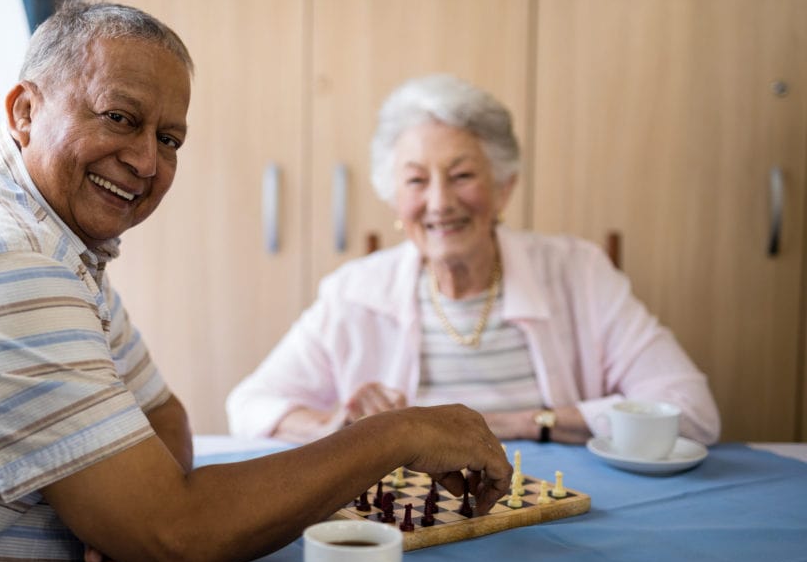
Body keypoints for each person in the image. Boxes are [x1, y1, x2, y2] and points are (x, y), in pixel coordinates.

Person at [0, 3, 511, 562]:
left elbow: (164, 417)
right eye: (120, 118)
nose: (147, 162)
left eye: (168, 139)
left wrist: (134, 514)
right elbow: (177, 539)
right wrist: (398, 435)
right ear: (25, 110)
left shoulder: (48, 233)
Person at [226, 74, 721, 447]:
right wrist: (334, 427)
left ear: (504, 187)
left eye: (462, 175)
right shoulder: (355, 291)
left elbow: (692, 412)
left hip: (562, 504)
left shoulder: (579, 272)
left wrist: (524, 423)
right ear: (395, 199)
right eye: (417, 181)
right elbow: (248, 406)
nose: (440, 203)